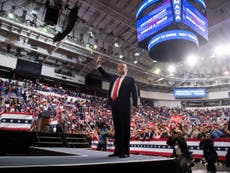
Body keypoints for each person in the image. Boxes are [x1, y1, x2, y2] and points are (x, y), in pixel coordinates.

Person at [96, 56, 139, 158]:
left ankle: (125, 151)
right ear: (117, 69)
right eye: (119, 67)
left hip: (125, 106)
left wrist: (135, 105)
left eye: (123, 67)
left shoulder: (130, 80)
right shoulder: (113, 78)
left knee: (125, 128)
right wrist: (98, 65)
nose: (120, 68)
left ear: (126, 70)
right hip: (114, 104)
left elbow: (135, 92)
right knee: (117, 129)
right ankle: (118, 150)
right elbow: (104, 74)